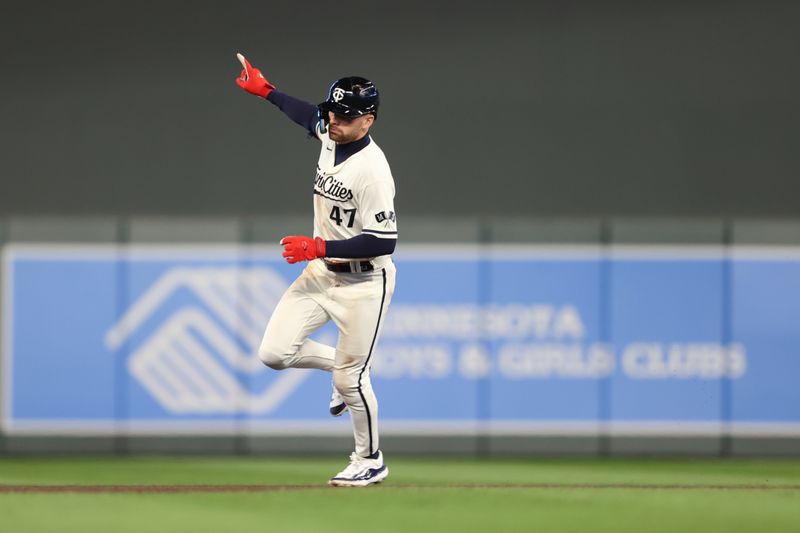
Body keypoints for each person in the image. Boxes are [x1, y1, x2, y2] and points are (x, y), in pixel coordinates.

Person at [234, 53, 398, 487]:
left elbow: (385, 241)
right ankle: (352, 369)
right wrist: (267, 91)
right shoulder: (329, 131)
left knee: (350, 381)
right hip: (322, 274)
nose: (334, 119)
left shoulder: (373, 171)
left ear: (369, 120)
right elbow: (306, 113)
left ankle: (370, 458)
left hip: (365, 281)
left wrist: (318, 244)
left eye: (345, 115)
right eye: (333, 110)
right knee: (274, 353)